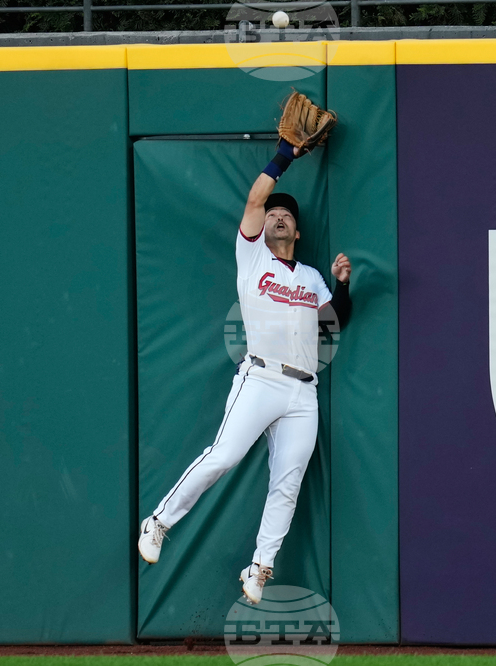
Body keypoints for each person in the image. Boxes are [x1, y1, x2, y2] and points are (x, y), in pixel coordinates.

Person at [137, 137, 352, 605]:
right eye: (273, 213)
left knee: (287, 484)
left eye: (287, 215)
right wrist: (284, 155)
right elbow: (256, 198)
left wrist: (342, 286)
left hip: (303, 392)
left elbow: (334, 321)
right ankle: (158, 521)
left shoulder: (310, 277)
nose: (277, 215)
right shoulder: (252, 256)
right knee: (223, 455)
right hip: (259, 377)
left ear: (296, 232)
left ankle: (260, 566)